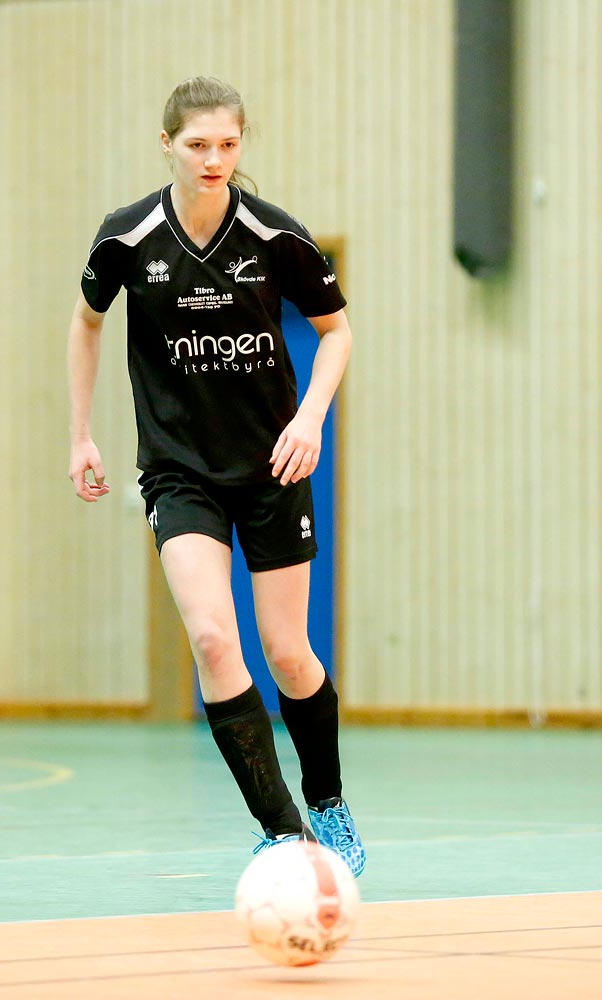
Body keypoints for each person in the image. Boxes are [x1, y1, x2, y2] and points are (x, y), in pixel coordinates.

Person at [67, 76, 365, 876]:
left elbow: (335, 335)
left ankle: (328, 801)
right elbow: (86, 324)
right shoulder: (126, 238)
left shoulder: (275, 235)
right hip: (177, 471)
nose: (213, 158)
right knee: (209, 634)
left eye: (228, 144)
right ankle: (282, 831)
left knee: (288, 652)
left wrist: (309, 421)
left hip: (272, 465)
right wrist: (81, 435)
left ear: (242, 145)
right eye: (198, 144)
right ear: (166, 143)